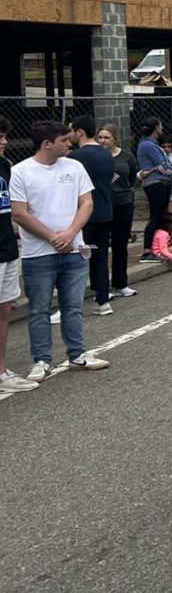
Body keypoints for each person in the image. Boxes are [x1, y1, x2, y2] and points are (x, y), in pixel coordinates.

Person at [12, 120, 109, 379]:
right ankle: (41, 360)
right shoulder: (21, 171)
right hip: (38, 253)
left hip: (74, 249)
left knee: (73, 305)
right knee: (39, 308)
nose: (69, 144)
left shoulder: (75, 167)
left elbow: (86, 203)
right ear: (47, 144)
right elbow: (19, 213)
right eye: (64, 141)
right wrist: (53, 237)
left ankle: (77, 354)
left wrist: (69, 234)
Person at [0, 119, 37, 392]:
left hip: (8, 249)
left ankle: (2, 371)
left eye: (4, 136)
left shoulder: (5, 165)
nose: (4, 142)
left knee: (5, 309)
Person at [67, 117, 116, 314]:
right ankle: (103, 300)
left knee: (78, 258)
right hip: (105, 211)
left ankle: (70, 303)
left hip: (84, 216)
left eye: (71, 131)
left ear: (80, 132)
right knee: (100, 256)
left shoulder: (76, 158)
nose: (69, 135)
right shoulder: (107, 155)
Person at [95, 124, 139, 301]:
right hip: (103, 204)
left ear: (115, 139)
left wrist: (124, 189)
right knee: (101, 246)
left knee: (121, 245)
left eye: (107, 138)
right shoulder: (96, 156)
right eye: (100, 137)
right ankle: (101, 286)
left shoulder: (126, 156)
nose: (103, 141)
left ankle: (121, 283)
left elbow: (132, 176)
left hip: (123, 203)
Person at [135, 118, 172, 261]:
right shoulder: (147, 144)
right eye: (160, 126)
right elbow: (162, 165)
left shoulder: (153, 144)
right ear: (155, 128)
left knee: (160, 216)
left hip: (163, 182)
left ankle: (158, 246)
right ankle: (147, 251)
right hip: (155, 183)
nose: (162, 129)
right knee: (155, 216)